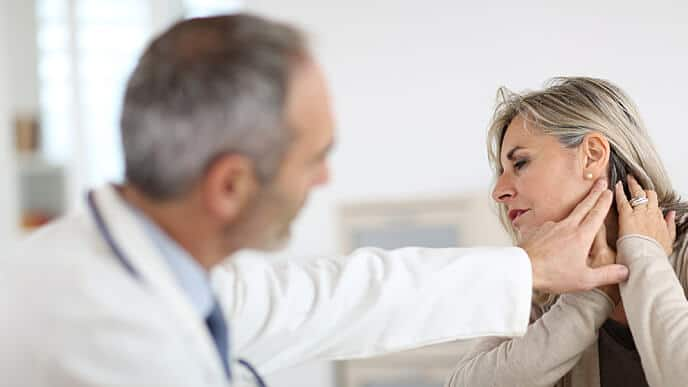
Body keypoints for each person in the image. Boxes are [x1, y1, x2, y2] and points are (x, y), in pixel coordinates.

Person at [0, 16, 626, 387]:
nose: (325, 181)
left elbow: (335, 296)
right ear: (231, 186)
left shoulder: (171, 276)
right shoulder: (103, 335)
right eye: (313, 158)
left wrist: (526, 271)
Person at [446, 77, 686, 387]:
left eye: (520, 163)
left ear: (592, 155)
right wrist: (590, 298)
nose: (499, 192)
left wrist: (643, 255)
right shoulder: (545, 289)